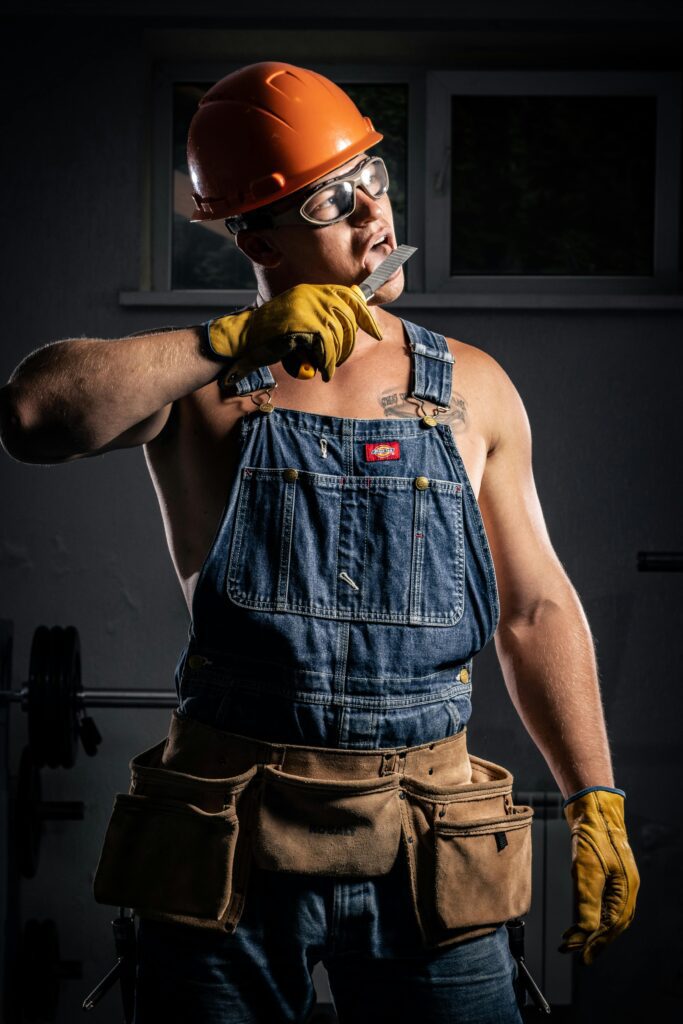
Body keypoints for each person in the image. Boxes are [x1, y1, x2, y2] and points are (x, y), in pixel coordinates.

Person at [0, 61, 638, 1024]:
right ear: (253, 233)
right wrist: (235, 339)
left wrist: (594, 795)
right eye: (331, 202)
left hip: (432, 843)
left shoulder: (472, 387)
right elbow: (33, 412)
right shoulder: (202, 388)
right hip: (230, 848)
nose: (371, 214)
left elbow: (534, 606)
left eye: (372, 177)